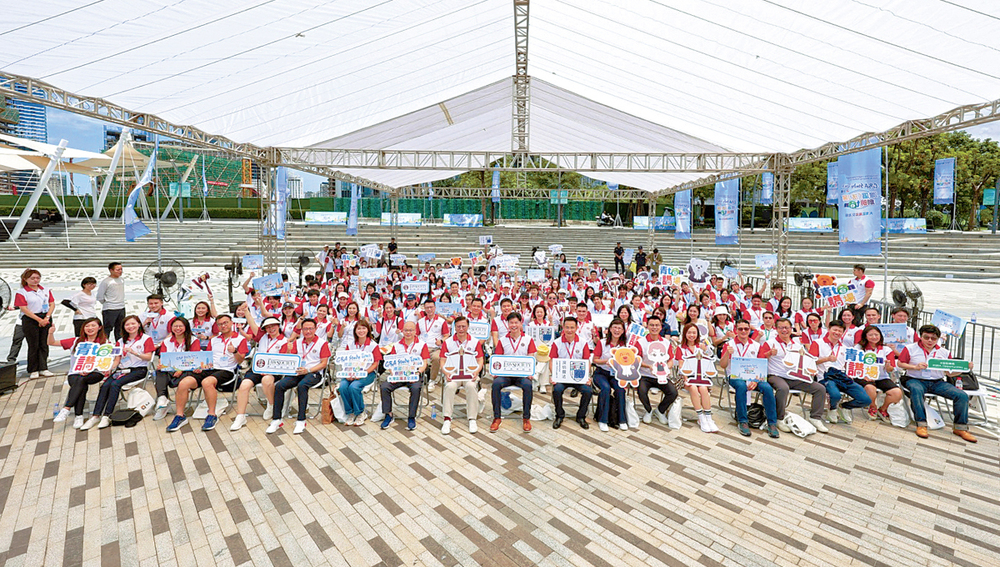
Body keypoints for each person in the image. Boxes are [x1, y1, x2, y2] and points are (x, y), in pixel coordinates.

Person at [167, 314, 249, 432]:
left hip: (227, 370)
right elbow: (207, 358)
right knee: (184, 383)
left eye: (226, 323)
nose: (223, 326)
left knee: (207, 382)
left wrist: (234, 351)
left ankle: (211, 414)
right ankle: (180, 416)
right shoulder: (214, 340)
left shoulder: (240, 339)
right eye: (220, 324)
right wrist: (200, 367)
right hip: (209, 368)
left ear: (231, 323)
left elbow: (240, 361)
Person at [897, 324, 976, 442]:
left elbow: (949, 373)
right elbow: (900, 363)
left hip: (937, 382)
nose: (929, 341)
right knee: (916, 390)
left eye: (933, 338)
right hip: (914, 379)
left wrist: (965, 368)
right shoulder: (910, 348)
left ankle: (960, 427)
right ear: (921, 337)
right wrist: (915, 367)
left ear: (938, 339)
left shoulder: (944, 352)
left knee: (962, 395)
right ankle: (921, 424)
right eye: (926, 337)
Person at [86, 315, 154, 429]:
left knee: (115, 384)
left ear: (138, 325)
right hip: (122, 370)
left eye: (133, 324)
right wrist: (109, 368)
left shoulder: (146, 339)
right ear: (123, 327)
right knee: (105, 385)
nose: (130, 326)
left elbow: (148, 357)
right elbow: (117, 359)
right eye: (127, 324)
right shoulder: (120, 341)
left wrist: (134, 352)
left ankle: (107, 415)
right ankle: (95, 415)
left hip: (138, 369)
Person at [267, 318, 331, 434]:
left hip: (314, 372)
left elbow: (324, 363)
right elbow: (290, 360)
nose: (308, 331)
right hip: (297, 372)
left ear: (315, 329)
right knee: (280, 385)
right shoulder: (297, 342)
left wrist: (308, 370)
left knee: (302, 386)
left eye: (310, 328)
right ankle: (276, 419)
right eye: (305, 329)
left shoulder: (322, 343)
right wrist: (289, 351)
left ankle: (301, 420)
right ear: (301, 330)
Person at [49, 317, 115, 429]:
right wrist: (50, 333)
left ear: (99, 327)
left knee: (81, 380)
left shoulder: (105, 343)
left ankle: (68, 409)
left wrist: (92, 368)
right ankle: (78, 416)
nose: (90, 328)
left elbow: (105, 362)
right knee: (81, 381)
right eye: (87, 326)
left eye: (93, 326)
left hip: (95, 372)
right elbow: (52, 342)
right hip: (75, 373)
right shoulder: (76, 341)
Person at [766, 318, 829, 433]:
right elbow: (760, 358)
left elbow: (804, 360)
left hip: (796, 377)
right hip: (776, 375)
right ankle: (779, 418)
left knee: (820, 388)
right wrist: (769, 353)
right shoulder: (770, 343)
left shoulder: (797, 344)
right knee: (783, 388)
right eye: (781, 328)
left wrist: (810, 370)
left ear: (791, 329)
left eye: (787, 327)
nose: (784, 330)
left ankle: (815, 417)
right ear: (776, 329)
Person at [719, 319, 780, 437]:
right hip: (735, 376)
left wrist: (756, 381)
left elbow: (761, 365)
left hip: (754, 377)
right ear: (736, 330)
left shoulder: (756, 345)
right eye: (740, 329)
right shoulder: (729, 344)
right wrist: (727, 353)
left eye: (746, 329)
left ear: (749, 330)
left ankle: (772, 423)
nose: (743, 331)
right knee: (741, 386)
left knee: (767, 388)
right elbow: (723, 365)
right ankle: (743, 421)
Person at [809, 321, 871, 426]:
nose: (837, 332)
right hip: (825, 377)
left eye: (840, 331)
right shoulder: (818, 343)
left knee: (865, 399)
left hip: (842, 377)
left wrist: (862, 374)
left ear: (843, 333)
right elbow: (810, 361)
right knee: (835, 394)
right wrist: (827, 359)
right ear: (829, 330)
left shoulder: (845, 349)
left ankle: (844, 407)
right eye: (835, 329)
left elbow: (850, 365)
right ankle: (832, 409)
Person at [231, 315, 284, 430]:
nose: (271, 329)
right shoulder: (262, 337)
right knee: (244, 385)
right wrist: (246, 311)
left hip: (274, 370)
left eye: (273, 326)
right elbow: (253, 324)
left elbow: (283, 361)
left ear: (278, 326)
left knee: (266, 380)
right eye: (268, 327)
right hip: (258, 367)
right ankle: (240, 416)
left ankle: (271, 405)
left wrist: (269, 371)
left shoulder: (284, 341)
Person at [490, 312, 536, 433]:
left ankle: (526, 418)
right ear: (507, 324)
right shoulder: (502, 340)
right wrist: (495, 371)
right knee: (495, 384)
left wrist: (530, 372)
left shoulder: (528, 339)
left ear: (521, 323)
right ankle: (497, 417)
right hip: (506, 375)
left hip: (521, 375)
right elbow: (498, 358)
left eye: (516, 322)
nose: (514, 325)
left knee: (527, 385)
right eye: (511, 323)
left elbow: (531, 358)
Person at [380, 321, 429, 431]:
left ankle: (411, 417)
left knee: (416, 388)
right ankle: (388, 414)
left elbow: (424, 363)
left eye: (411, 330)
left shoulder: (421, 344)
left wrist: (417, 372)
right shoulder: (396, 346)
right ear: (402, 331)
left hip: (414, 375)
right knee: (384, 387)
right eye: (406, 330)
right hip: (399, 375)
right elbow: (390, 364)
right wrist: (393, 373)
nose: (408, 332)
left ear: (415, 331)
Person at [439, 317, 484, 435]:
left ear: (468, 327)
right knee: (450, 387)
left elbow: (480, 360)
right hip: (453, 375)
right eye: (458, 326)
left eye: (463, 326)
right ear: (454, 327)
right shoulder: (448, 342)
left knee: (470, 386)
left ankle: (472, 418)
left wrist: (476, 372)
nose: (461, 329)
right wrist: (446, 373)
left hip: (470, 375)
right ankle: (447, 419)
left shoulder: (474, 341)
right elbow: (442, 361)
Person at [153, 316, 202, 421]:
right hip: (172, 370)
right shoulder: (166, 342)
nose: (178, 328)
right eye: (175, 326)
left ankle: (176, 409)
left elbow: (194, 360)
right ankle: (162, 399)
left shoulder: (194, 341)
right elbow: (163, 357)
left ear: (186, 327)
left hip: (188, 371)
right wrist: (161, 364)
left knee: (185, 377)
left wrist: (181, 370)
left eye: (181, 326)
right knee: (159, 371)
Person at [548, 317, 593, 430]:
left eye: (572, 327)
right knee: (557, 390)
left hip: (578, 377)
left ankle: (581, 416)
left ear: (576, 328)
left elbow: (587, 361)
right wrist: (553, 375)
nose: (569, 330)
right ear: (563, 327)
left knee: (588, 391)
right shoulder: (556, 343)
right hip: (562, 377)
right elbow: (552, 360)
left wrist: (587, 376)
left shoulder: (583, 343)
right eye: (567, 327)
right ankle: (559, 415)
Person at [336, 319, 381, 427]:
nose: (361, 331)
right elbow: (346, 361)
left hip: (368, 373)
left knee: (354, 387)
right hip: (351, 373)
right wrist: (349, 374)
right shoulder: (350, 344)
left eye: (364, 328)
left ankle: (360, 412)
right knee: (342, 387)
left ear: (368, 330)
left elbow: (375, 363)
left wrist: (363, 373)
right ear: (355, 331)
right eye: (359, 328)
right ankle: (351, 412)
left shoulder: (373, 345)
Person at [675, 323, 718, 433]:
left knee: (703, 389)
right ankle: (700, 416)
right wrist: (685, 379)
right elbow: (681, 366)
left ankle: (708, 416)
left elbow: (710, 358)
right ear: (685, 334)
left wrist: (705, 349)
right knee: (693, 387)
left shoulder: (701, 346)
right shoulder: (681, 348)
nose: (692, 335)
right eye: (689, 332)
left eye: (694, 332)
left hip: (700, 376)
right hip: (685, 377)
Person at [855, 325, 903, 422]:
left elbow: (890, 369)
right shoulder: (859, 348)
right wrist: (863, 376)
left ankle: (883, 409)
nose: (874, 337)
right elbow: (854, 364)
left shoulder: (887, 350)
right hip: (863, 376)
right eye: (871, 335)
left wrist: (888, 365)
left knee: (897, 393)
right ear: (865, 336)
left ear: (880, 336)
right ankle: (873, 406)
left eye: (876, 335)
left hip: (881, 377)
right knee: (870, 388)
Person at [637, 316, 679, 427]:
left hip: (661, 375)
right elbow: (636, 359)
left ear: (661, 327)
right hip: (645, 374)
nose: (654, 327)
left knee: (673, 392)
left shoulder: (666, 342)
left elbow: (670, 359)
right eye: (651, 325)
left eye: (657, 325)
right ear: (648, 326)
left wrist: (667, 368)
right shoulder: (641, 342)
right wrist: (648, 366)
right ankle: (648, 410)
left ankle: (660, 411)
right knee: (641, 391)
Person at [592, 318, 631, 432]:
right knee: (605, 388)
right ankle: (603, 419)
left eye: (619, 328)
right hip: (601, 373)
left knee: (620, 389)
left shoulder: (625, 345)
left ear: (623, 331)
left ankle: (622, 419)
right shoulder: (602, 343)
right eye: (614, 327)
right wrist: (606, 361)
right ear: (609, 329)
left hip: (617, 374)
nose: (617, 330)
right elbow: (595, 360)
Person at [14, 268, 54, 379]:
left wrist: (47, 317)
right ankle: (33, 369)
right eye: (32, 278)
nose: (35, 280)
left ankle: (43, 368)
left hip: (45, 317)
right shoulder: (21, 292)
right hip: (30, 319)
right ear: (25, 279)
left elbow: (52, 303)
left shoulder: (45, 289)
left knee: (44, 344)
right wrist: (38, 320)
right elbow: (23, 308)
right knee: (33, 345)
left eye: (37, 278)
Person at [96, 262, 126, 341]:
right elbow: (100, 296)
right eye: (117, 270)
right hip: (110, 309)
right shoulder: (106, 282)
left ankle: (119, 344)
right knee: (107, 329)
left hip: (121, 307)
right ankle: (104, 345)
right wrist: (108, 303)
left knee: (120, 329)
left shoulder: (121, 280)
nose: (120, 271)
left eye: (121, 269)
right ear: (111, 270)